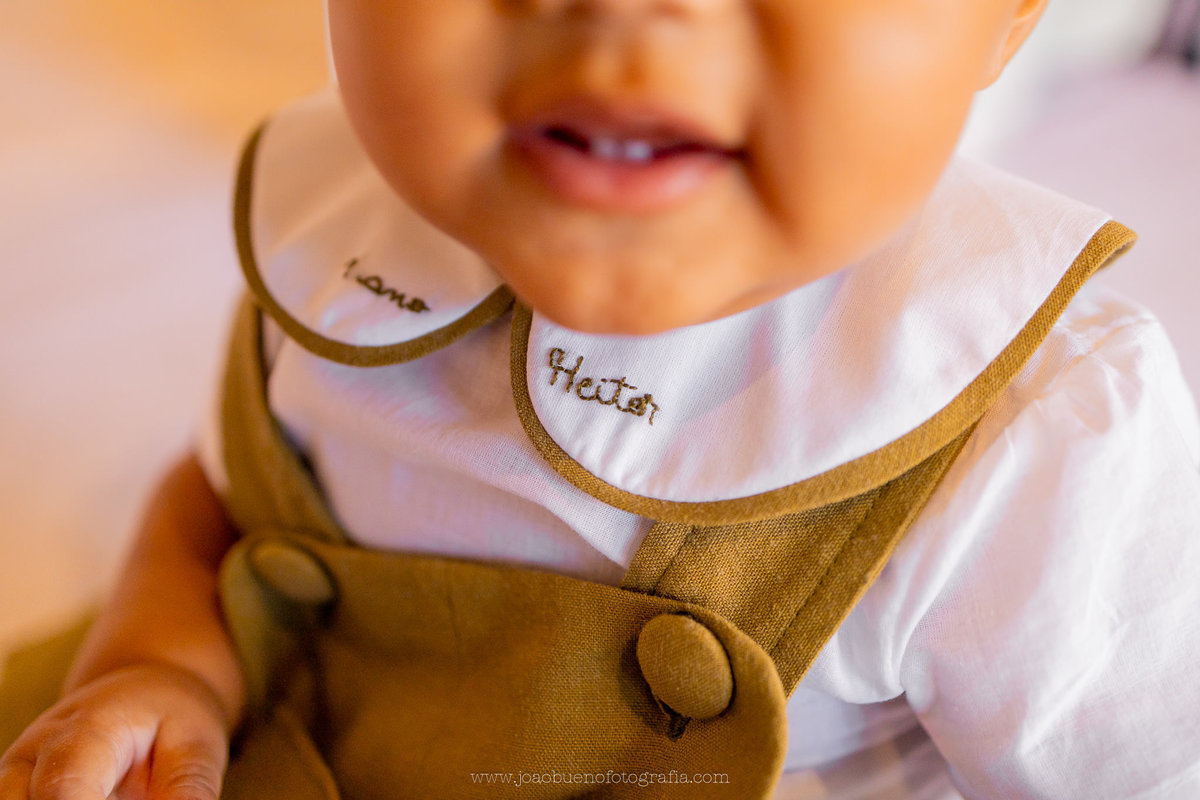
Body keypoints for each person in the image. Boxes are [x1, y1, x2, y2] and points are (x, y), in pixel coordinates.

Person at [3, 1, 1199, 797]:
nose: (629, 12)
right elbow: (230, 497)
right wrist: (160, 666)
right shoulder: (337, 242)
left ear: (1008, 21)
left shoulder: (1019, 427)